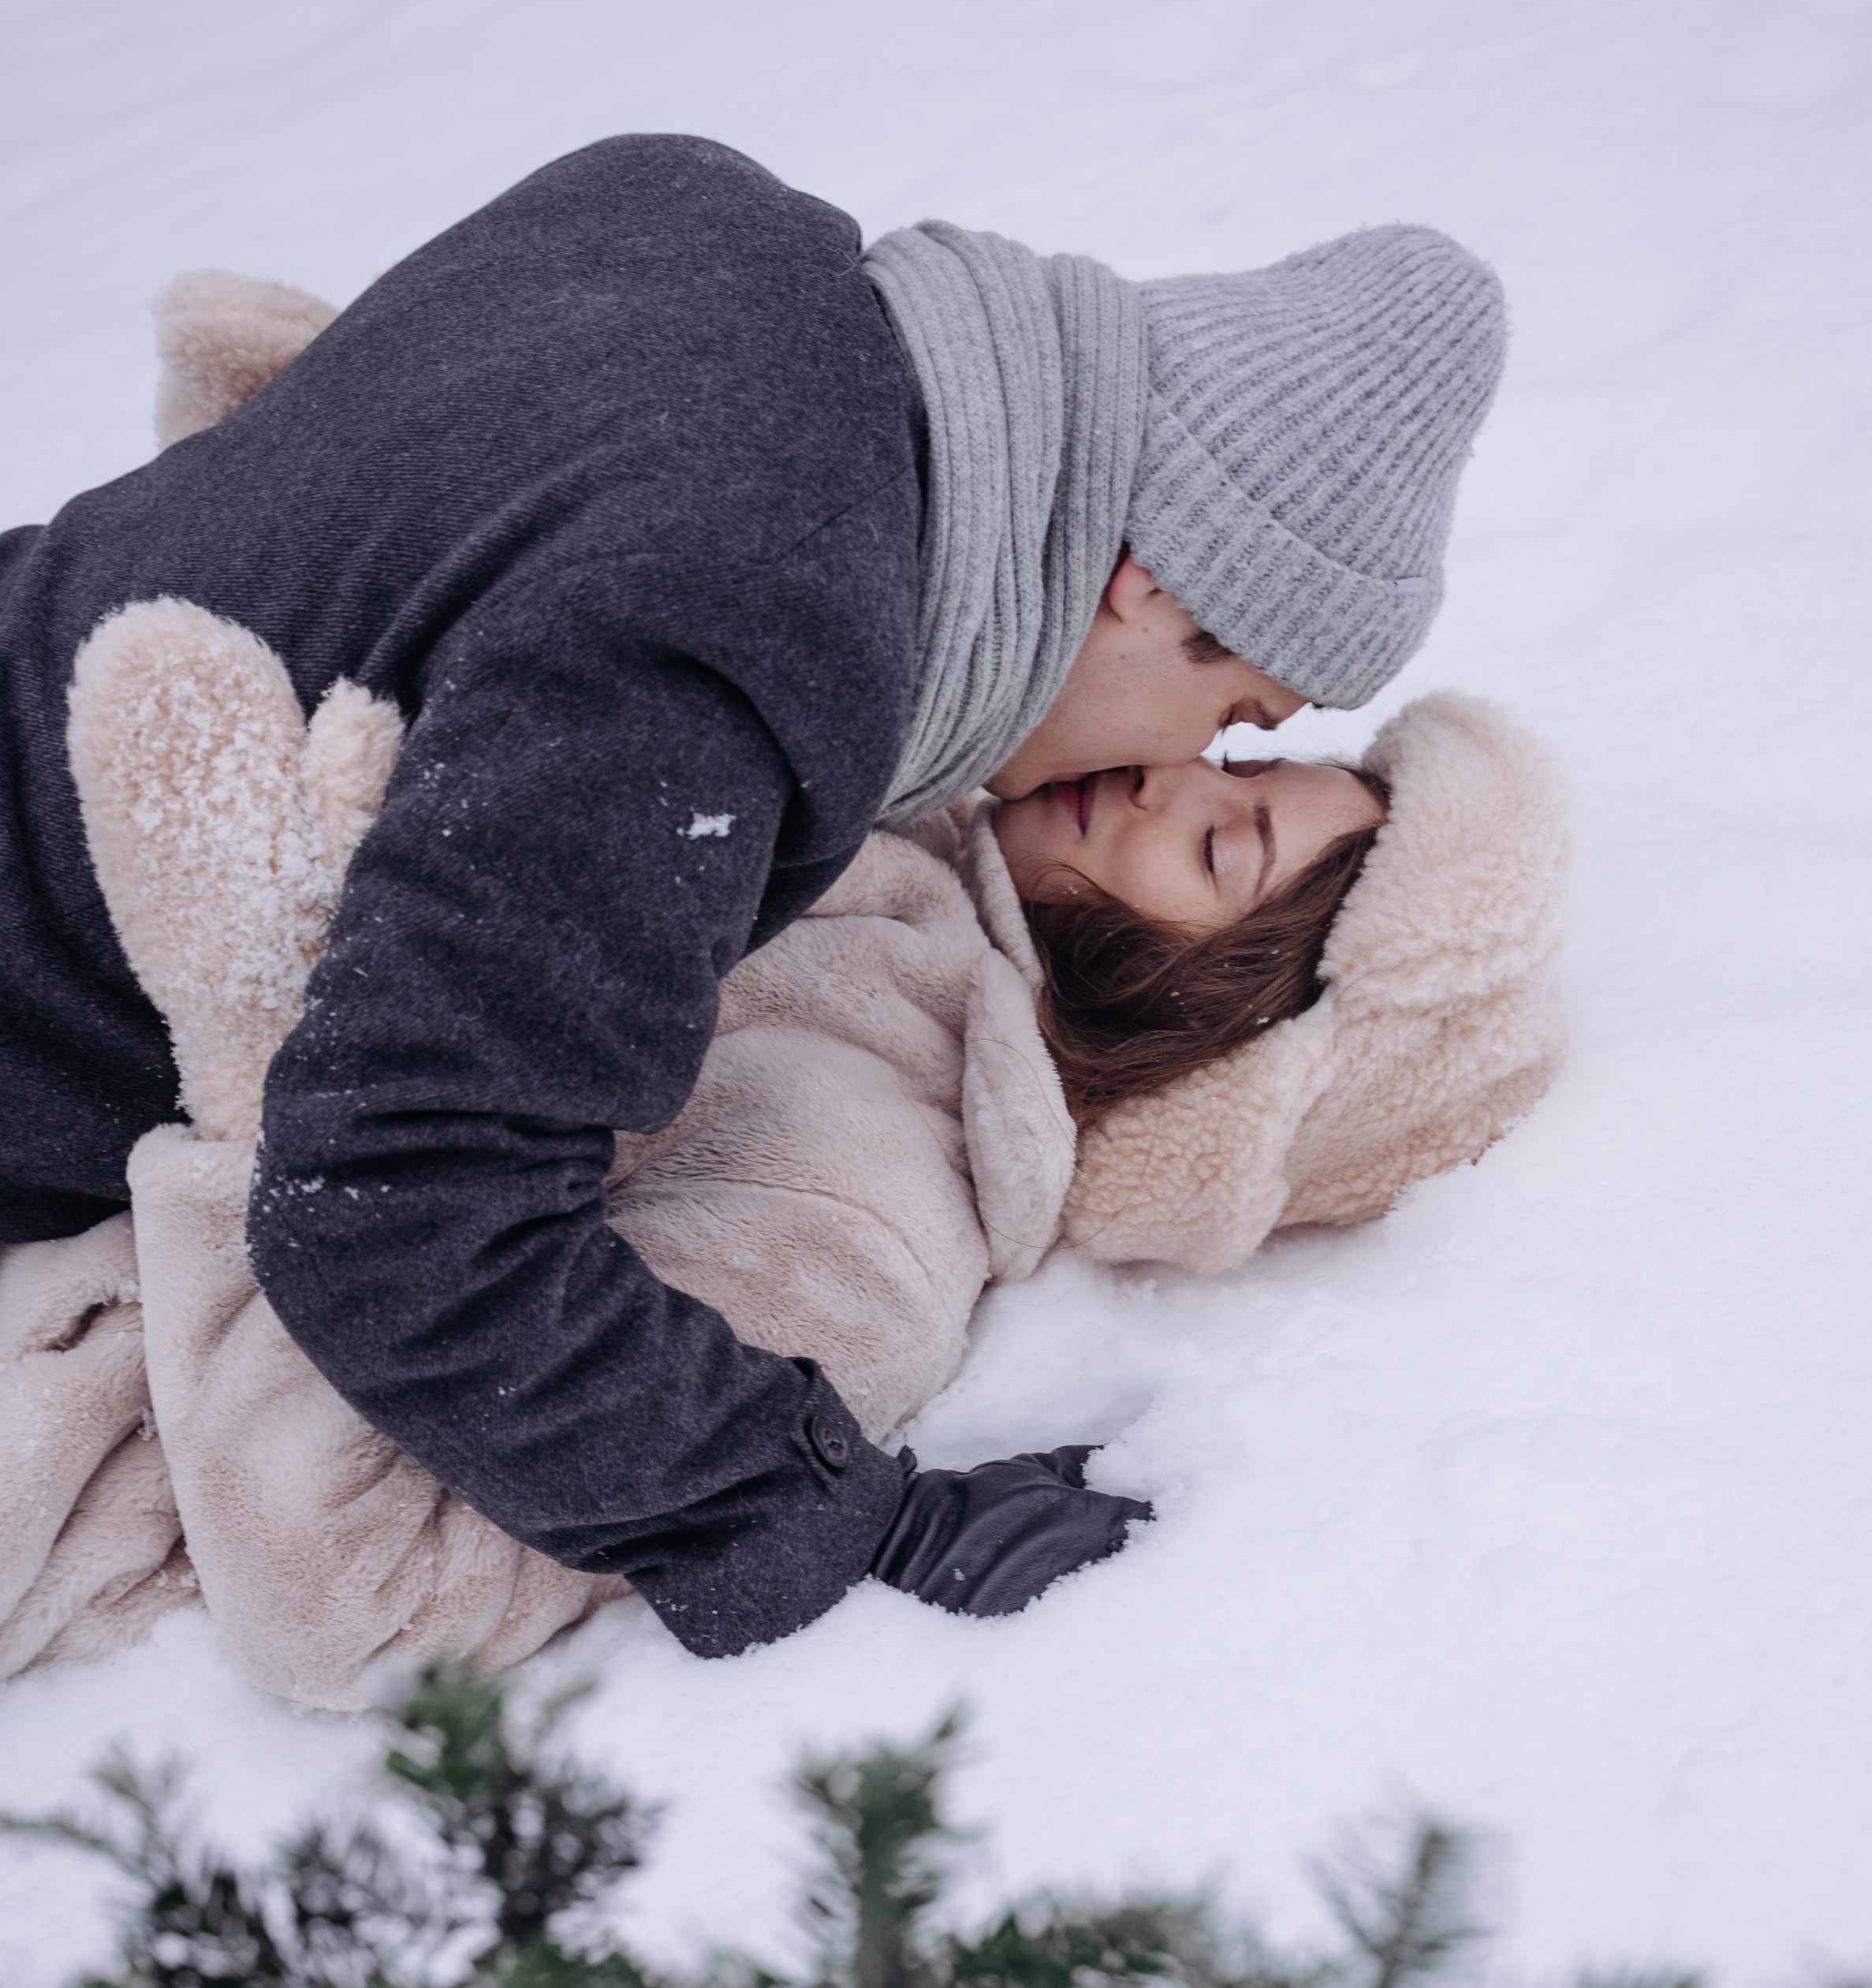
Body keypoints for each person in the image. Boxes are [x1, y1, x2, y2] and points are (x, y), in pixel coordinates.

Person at [0, 136, 1507, 1654]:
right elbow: (400, 1199)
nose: (1189, 764)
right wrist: (826, 1514)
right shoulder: (754, 614)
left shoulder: (692, 207)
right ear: (1158, 585)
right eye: (1239, 718)